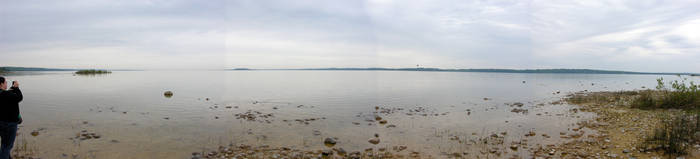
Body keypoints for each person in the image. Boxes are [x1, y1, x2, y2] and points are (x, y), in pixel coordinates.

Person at [0, 77, 22, 159]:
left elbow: (8, 95)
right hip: (10, 124)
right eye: (5, 82)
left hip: (1, 123)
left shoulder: (5, 94)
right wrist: (17, 88)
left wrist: (13, 88)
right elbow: (19, 97)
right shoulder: (6, 94)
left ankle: (7, 157)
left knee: (4, 143)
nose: (6, 83)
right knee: (8, 145)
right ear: (1, 84)